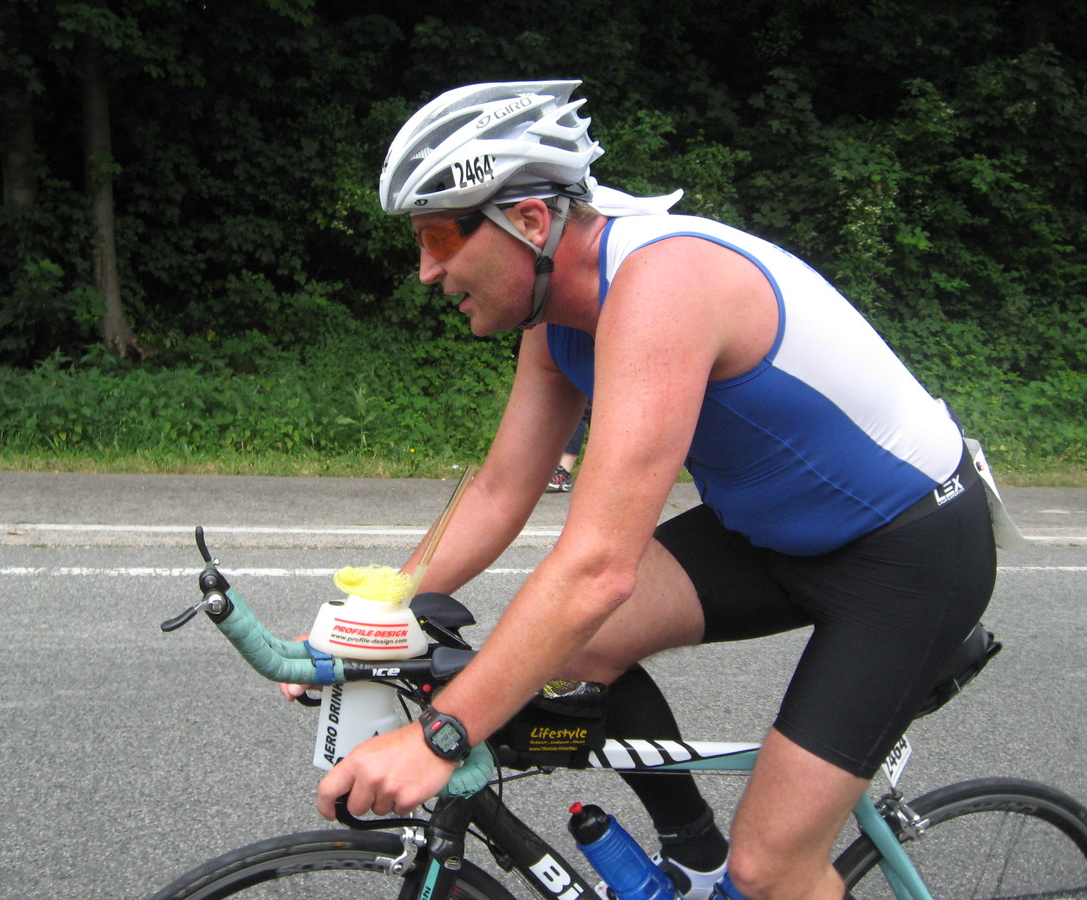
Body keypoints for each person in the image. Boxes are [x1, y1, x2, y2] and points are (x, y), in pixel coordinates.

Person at [296, 80, 998, 900]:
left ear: (530, 221)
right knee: (569, 654)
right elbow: (497, 491)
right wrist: (367, 626)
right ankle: (695, 856)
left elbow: (598, 568)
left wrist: (441, 738)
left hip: (907, 553)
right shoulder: (557, 322)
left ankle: (751, 873)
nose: (427, 271)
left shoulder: (664, 284)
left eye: (441, 236)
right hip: (768, 535)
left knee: (772, 870)